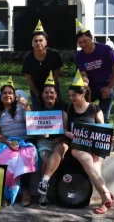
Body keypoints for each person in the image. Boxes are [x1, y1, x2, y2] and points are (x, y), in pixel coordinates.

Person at [64, 70, 114, 214]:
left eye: (74, 95)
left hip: (95, 146)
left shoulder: (94, 108)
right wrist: (67, 133)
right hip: (77, 146)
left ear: (82, 94)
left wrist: (110, 139)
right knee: (86, 159)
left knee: (95, 170)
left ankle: (105, 200)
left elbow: (103, 129)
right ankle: (106, 195)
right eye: (70, 95)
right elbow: (62, 128)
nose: (71, 98)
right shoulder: (68, 109)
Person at [0, 76, 37, 207]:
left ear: (14, 96)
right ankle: (3, 194)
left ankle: (26, 192)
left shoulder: (21, 108)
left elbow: (33, 123)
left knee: (27, 157)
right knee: (2, 159)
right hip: (6, 141)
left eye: (10, 93)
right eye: (4, 93)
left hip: (24, 141)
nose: (7, 95)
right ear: (0, 96)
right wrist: (7, 142)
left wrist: (27, 105)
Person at [74, 19, 114, 123]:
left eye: (85, 41)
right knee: (85, 113)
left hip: (107, 85)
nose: (83, 45)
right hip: (91, 88)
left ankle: (104, 136)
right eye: (80, 43)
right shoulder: (78, 57)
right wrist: (85, 84)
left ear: (91, 38)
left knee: (103, 116)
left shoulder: (105, 49)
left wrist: (110, 87)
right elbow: (83, 73)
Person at [36, 71, 69, 209]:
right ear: (42, 95)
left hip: (61, 139)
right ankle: (43, 194)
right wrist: (40, 134)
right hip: (45, 141)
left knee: (61, 148)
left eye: (51, 92)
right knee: (44, 159)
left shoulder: (65, 107)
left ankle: (44, 181)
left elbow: (68, 128)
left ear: (56, 95)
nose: (49, 95)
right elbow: (33, 129)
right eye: (46, 92)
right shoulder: (38, 109)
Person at [22, 20, 63, 110]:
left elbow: (56, 75)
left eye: (41, 40)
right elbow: (29, 80)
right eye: (35, 41)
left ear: (46, 42)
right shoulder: (28, 58)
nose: (38, 43)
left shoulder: (54, 54)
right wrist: (37, 94)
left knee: (57, 110)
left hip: (52, 86)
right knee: (38, 111)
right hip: (36, 86)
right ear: (32, 43)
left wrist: (52, 90)